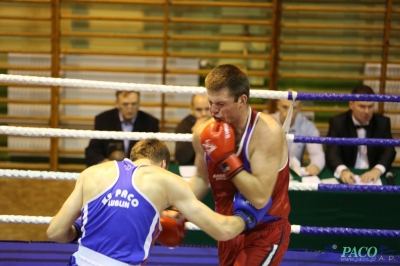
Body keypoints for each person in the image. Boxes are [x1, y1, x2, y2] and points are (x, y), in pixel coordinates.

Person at [47, 138, 271, 266]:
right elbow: (222, 230)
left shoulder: (92, 173)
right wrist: (247, 215)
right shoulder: (167, 180)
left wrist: (78, 231)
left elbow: (55, 232)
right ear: (163, 164)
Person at [190, 64, 291, 266]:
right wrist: (178, 207)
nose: (213, 110)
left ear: (242, 100)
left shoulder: (266, 133)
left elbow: (261, 197)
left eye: (221, 104)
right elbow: (201, 178)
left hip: (264, 231)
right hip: (227, 230)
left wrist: (227, 159)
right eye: (211, 102)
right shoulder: (203, 133)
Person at [326, 85, 396, 184]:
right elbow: (332, 152)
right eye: (362, 106)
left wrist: (377, 170)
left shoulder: (382, 123)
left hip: (373, 174)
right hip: (348, 173)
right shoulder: (338, 122)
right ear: (351, 104)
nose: (367, 111)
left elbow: (389, 151)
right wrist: (343, 171)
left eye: (370, 106)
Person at [85, 91, 159, 167]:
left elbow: (156, 154)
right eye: (125, 104)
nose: (130, 109)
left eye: (134, 104)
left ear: (139, 103)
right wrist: (104, 162)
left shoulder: (150, 122)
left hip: (139, 172)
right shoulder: (103, 120)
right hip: (110, 172)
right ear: (117, 104)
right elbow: (92, 151)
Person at [271, 93, 325, 176]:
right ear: (278, 105)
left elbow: (317, 153)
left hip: (293, 174)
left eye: (294, 108)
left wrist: (316, 165)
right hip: (269, 170)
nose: (289, 112)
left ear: (300, 107)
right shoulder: (266, 123)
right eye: (285, 107)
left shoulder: (307, 126)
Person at [175, 94, 211, 165]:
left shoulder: (222, 122)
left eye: (207, 109)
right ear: (192, 109)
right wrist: (194, 134)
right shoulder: (184, 126)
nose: (204, 114)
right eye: (199, 109)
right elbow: (182, 159)